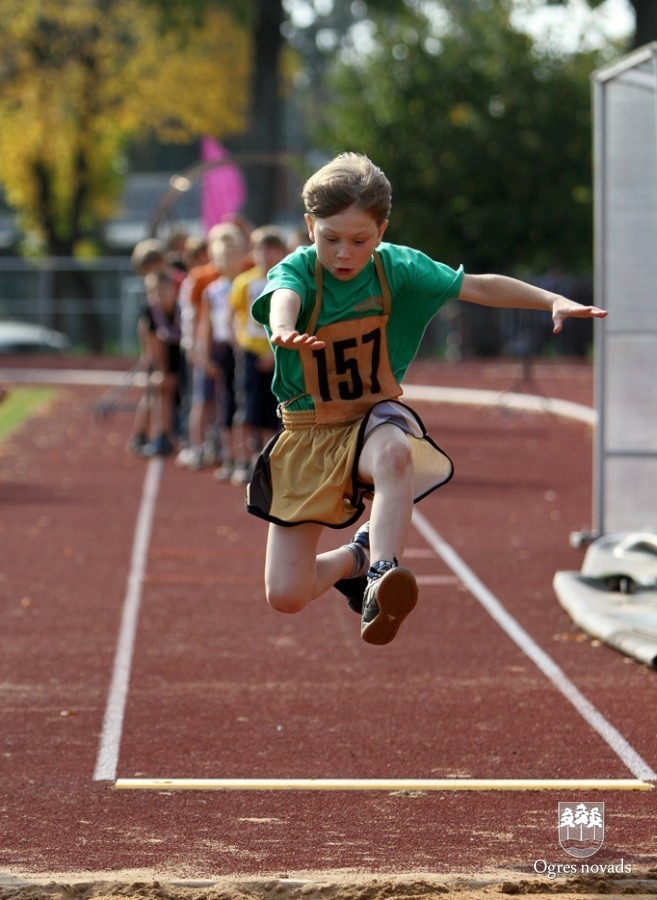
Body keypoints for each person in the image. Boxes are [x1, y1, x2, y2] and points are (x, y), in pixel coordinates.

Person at [246, 152, 608, 646]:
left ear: (382, 230)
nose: (344, 254)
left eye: (360, 240)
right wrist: (284, 327)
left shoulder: (398, 269)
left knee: (396, 453)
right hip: (309, 428)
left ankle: (381, 574)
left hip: (370, 417)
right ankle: (357, 558)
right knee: (286, 594)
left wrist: (551, 300)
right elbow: (283, 294)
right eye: (330, 238)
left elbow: (477, 287)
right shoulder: (299, 272)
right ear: (310, 226)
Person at [228, 225, 287, 485]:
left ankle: (273, 461)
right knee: (249, 408)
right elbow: (232, 317)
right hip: (251, 353)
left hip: (281, 354)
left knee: (276, 409)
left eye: (272, 250)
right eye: (261, 250)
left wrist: (277, 352)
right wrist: (238, 344)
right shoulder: (244, 282)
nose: (266, 256)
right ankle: (247, 460)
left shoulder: (287, 280)